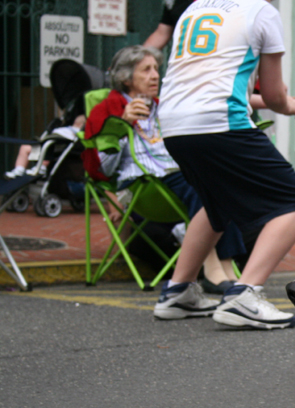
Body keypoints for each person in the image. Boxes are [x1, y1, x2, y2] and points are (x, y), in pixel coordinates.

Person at [153, 0, 295, 329]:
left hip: (173, 124)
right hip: (220, 121)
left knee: (216, 203)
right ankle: (245, 295)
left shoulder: (194, 9)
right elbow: (273, 96)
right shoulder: (262, 12)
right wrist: (287, 105)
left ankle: (178, 291)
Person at [82, 45, 245, 292]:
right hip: (142, 184)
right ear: (126, 78)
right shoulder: (108, 109)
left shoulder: (164, 107)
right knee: (201, 186)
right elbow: (104, 168)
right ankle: (212, 269)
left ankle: (227, 267)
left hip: (175, 175)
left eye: (156, 69)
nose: (155, 75)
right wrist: (123, 125)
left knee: (220, 182)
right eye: (146, 70)